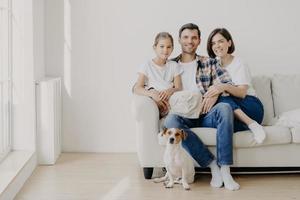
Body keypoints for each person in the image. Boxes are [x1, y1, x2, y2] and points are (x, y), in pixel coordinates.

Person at [164, 23, 240, 191]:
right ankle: (213, 166)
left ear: (198, 41)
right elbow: (149, 83)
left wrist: (215, 94)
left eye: (194, 38)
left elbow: (228, 83)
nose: (189, 41)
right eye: (185, 37)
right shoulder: (169, 65)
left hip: (206, 114)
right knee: (170, 120)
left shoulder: (209, 62)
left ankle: (225, 170)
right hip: (182, 117)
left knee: (225, 108)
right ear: (179, 40)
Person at [206, 28, 265, 143]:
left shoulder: (239, 63)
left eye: (220, 41)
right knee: (220, 108)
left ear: (229, 42)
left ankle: (252, 124)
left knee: (222, 98)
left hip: (250, 106)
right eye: (213, 43)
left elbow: (242, 93)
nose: (217, 45)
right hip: (230, 113)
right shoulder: (212, 65)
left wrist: (224, 87)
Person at [134, 32, 183, 117]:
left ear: (172, 48)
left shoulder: (174, 65)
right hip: (154, 101)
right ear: (154, 47)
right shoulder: (147, 65)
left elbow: (179, 87)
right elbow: (137, 88)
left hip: (171, 102)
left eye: (169, 47)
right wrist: (153, 94)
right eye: (162, 46)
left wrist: (170, 90)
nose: (165, 50)